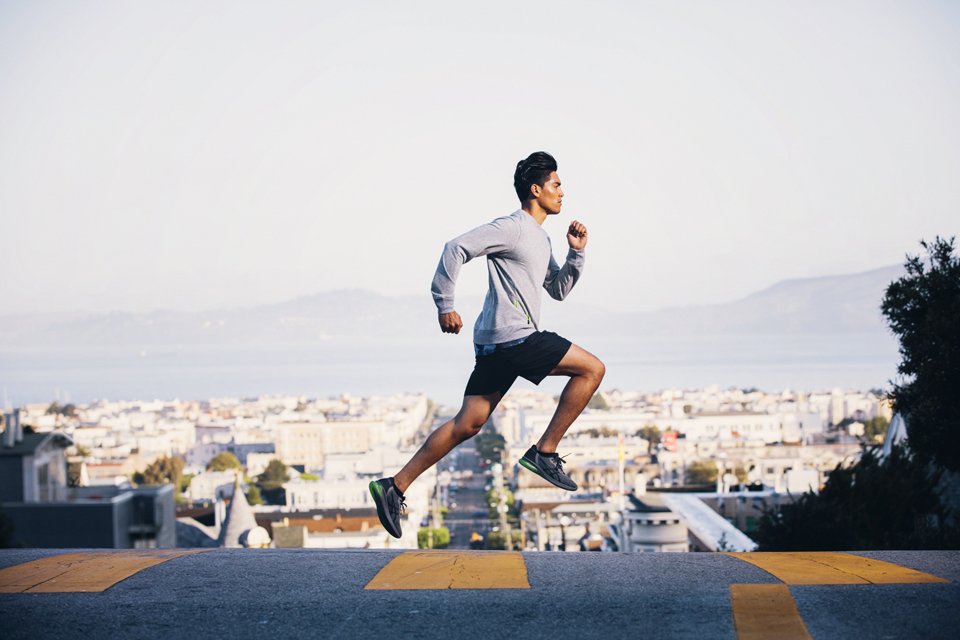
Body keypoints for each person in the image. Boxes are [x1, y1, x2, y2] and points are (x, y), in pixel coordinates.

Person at [369, 151, 605, 539]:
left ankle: (393, 487)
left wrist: (576, 253)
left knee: (469, 424)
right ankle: (544, 453)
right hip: (515, 336)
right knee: (593, 369)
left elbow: (557, 290)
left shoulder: (541, 239)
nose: (563, 192)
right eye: (557, 185)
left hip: (496, 342)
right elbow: (455, 247)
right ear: (536, 189)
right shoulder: (512, 227)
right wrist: (445, 305)